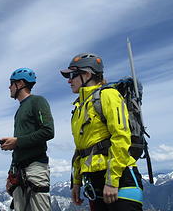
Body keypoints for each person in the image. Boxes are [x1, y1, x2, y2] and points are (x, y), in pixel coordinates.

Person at [60, 53, 143, 211]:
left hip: (121, 181)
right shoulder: (80, 107)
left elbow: (121, 136)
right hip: (96, 184)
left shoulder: (108, 95)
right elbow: (81, 150)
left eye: (72, 75)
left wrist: (112, 180)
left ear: (87, 74)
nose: (69, 80)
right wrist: (76, 182)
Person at [0, 67, 54, 211]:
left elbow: (48, 131)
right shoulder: (19, 111)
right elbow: (20, 143)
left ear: (20, 84)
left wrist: (17, 141)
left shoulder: (38, 101)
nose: (9, 87)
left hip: (36, 167)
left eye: (11, 83)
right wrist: (11, 172)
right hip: (19, 170)